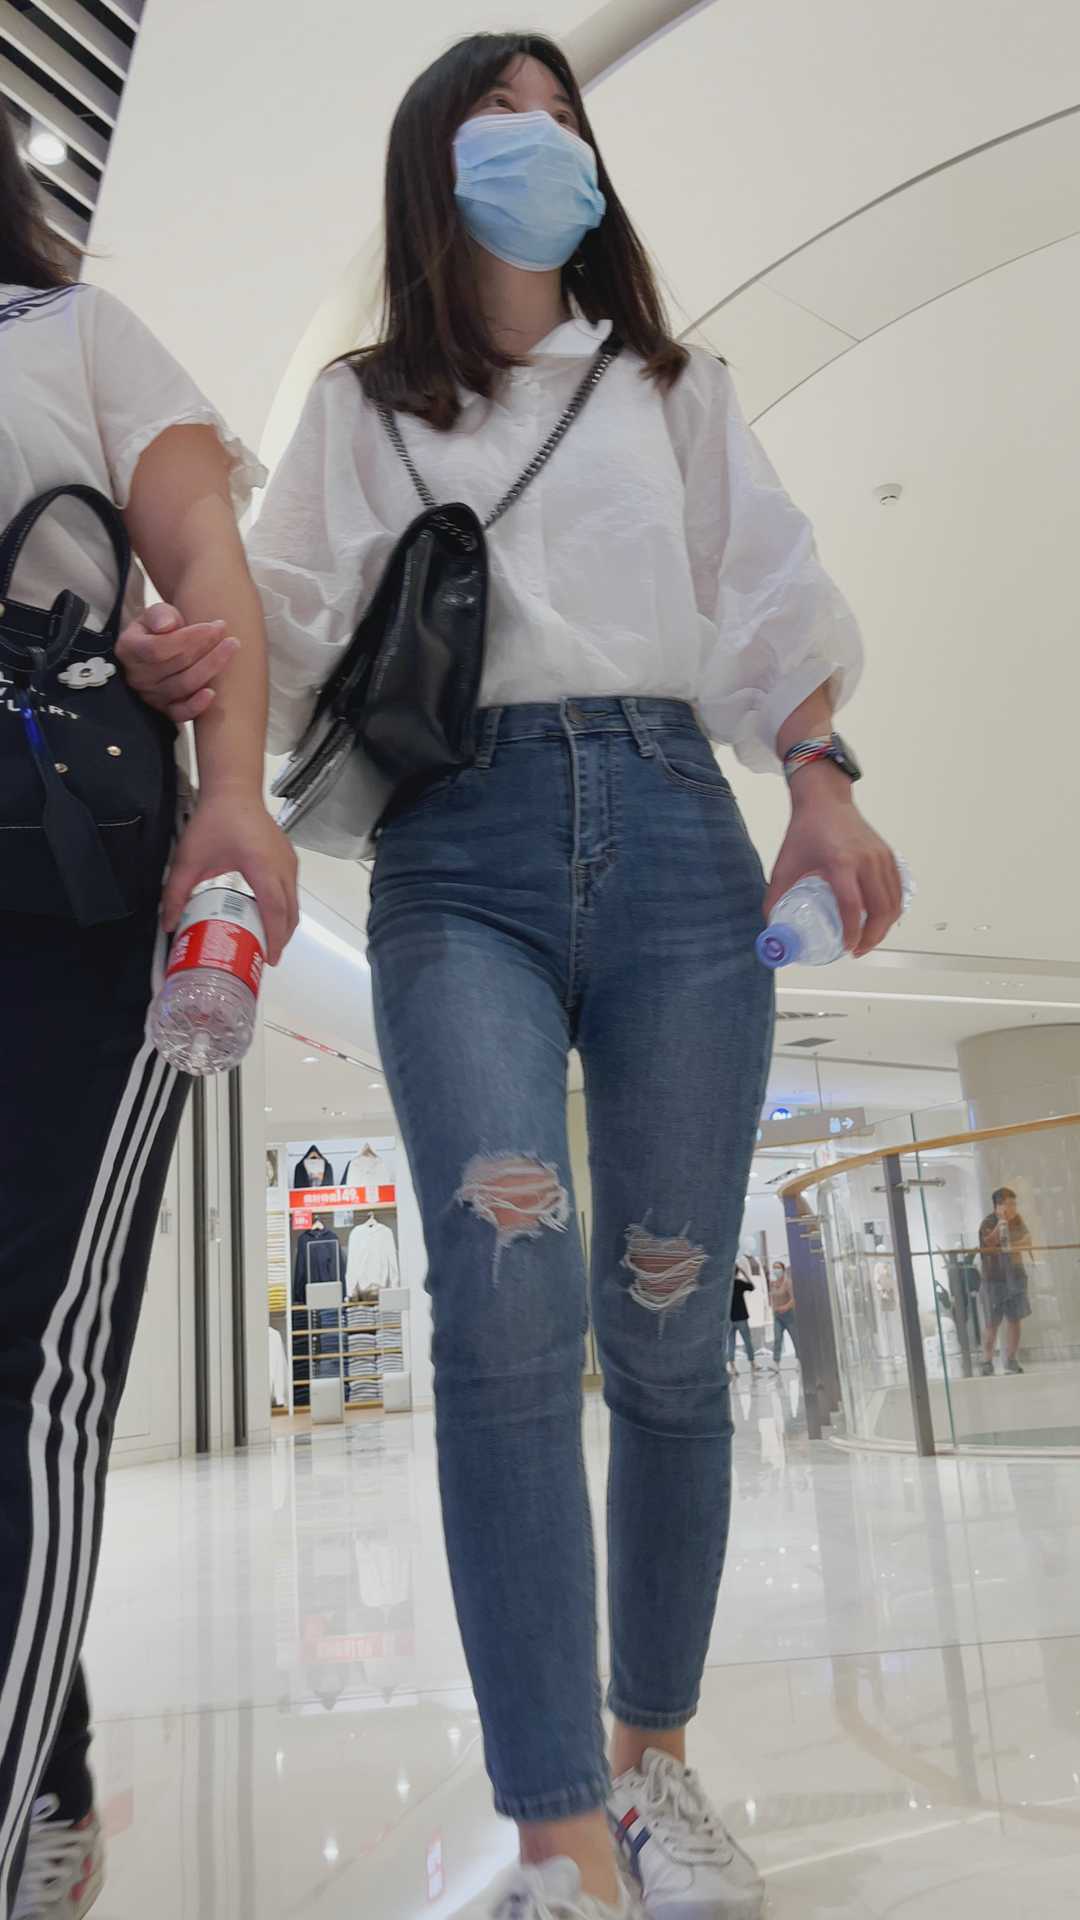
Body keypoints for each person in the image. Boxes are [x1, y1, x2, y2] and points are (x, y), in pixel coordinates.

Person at [123, 32, 902, 1920]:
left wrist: (820, 782)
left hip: (673, 836)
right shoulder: (360, 410)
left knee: (665, 1321)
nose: (545, 143)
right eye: (504, 116)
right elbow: (275, 625)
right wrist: (187, 664)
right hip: (456, 857)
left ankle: (653, 1770)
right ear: (435, 160)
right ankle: (559, 1836)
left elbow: (770, 589)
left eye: (567, 118)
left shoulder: (672, 387)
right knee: (499, 1303)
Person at [0, 106, 297, 1920]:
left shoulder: (76, 334)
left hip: (66, 896)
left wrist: (232, 786)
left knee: (32, 1363)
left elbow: (210, 573)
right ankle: (48, 1762)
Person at [978, 1187, 1033, 1376]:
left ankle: (1011, 1359)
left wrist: (1010, 1246)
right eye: (1010, 1204)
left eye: (1014, 1204)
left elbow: (1027, 1240)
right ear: (998, 1205)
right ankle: (987, 1360)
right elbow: (989, 1243)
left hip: (1015, 1276)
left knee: (1015, 1319)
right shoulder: (988, 1222)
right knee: (992, 1322)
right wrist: (1001, 1223)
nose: (1014, 1208)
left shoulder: (1017, 1220)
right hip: (994, 1280)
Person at [727, 1259, 756, 1374]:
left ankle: (732, 1367)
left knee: (731, 1343)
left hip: (729, 1318)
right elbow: (752, 1287)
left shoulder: (725, 1286)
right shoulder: (739, 1283)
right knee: (747, 1341)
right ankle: (753, 1364)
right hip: (741, 1317)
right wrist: (745, 1274)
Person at [767, 1260, 798, 1366]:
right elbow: (772, 1299)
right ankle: (776, 1364)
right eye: (774, 1267)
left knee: (795, 1338)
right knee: (777, 1339)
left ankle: (800, 1361)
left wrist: (785, 1307)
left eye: (778, 1267)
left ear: (783, 1270)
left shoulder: (788, 1282)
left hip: (788, 1314)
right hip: (777, 1316)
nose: (776, 1270)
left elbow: (794, 1299)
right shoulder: (773, 1284)